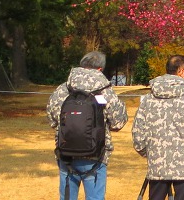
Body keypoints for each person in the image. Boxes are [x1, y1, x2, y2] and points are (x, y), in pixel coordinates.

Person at [46, 50, 128, 200]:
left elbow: (52, 119)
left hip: (66, 154)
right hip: (96, 155)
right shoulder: (104, 92)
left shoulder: (63, 89)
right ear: (100, 69)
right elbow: (118, 122)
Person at [132, 54, 184, 200]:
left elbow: (138, 134)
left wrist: (151, 153)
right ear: (181, 71)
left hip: (157, 166)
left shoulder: (148, 98)